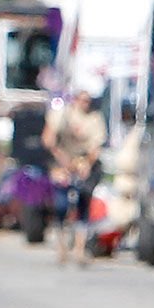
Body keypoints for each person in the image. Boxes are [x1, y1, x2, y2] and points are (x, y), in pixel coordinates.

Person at [43, 88, 107, 264]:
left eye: (88, 100)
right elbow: (48, 139)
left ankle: (79, 249)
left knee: (83, 204)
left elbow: (96, 147)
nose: (85, 103)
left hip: (83, 164)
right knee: (61, 205)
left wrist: (86, 163)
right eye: (82, 99)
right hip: (62, 161)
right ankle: (62, 245)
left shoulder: (95, 118)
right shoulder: (63, 115)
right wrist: (62, 161)